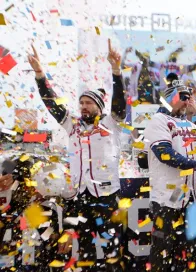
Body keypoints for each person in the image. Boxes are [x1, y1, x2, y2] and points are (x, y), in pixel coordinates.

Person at [28, 39, 127, 271]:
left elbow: (120, 103)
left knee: (111, 249)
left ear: (100, 107)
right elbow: (51, 103)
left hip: (106, 195)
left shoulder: (113, 123)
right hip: (80, 196)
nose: (83, 106)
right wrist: (40, 74)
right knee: (83, 248)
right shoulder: (71, 125)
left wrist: (116, 71)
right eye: (81, 102)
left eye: (88, 103)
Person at [143, 80, 196, 271]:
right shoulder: (158, 120)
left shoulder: (192, 126)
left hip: (192, 198)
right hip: (167, 199)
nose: (187, 101)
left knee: (191, 253)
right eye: (183, 97)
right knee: (162, 252)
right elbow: (165, 154)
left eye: (189, 97)